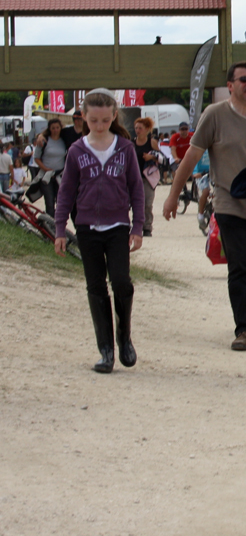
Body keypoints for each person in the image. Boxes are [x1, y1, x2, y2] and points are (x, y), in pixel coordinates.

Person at [163, 62, 246, 351]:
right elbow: (191, 157)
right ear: (230, 85)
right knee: (240, 265)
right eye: (243, 79)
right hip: (229, 203)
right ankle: (245, 329)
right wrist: (173, 195)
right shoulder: (214, 115)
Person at [54, 90, 144, 374]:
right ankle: (106, 350)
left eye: (106, 120)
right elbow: (66, 192)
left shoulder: (125, 148)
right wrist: (59, 229)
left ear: (114, 117)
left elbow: (136, 190)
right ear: (84, 118)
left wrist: (138, 225)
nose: (100, 125)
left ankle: (124, 336)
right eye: (94, 120)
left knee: (121, 282)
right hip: (86, 227)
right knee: (95, 286)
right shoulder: (77, 151)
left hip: (118, 226)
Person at [34, 118, 68, 216]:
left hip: (59, 176)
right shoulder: (44, 140)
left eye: (57, 127)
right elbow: (36, 158)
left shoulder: (64, 140)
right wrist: (45, 168)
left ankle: (60, 224)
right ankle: (50, 225)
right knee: (49, 203)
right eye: (53, 128)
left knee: (61, 202)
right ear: (49, 129)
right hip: (46, 176)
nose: (55, 130)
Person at [132, 118, 160, 238]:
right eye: (136, 128)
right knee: (135, 204)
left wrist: (151, 157)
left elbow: (162, 158)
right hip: (133, 178)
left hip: (148, 178)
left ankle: (147, 227)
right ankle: (136, 226)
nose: (137, 131)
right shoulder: (131, 143)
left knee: (147, 204)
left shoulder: (152, 142)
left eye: (140, 128)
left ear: (147, 130)